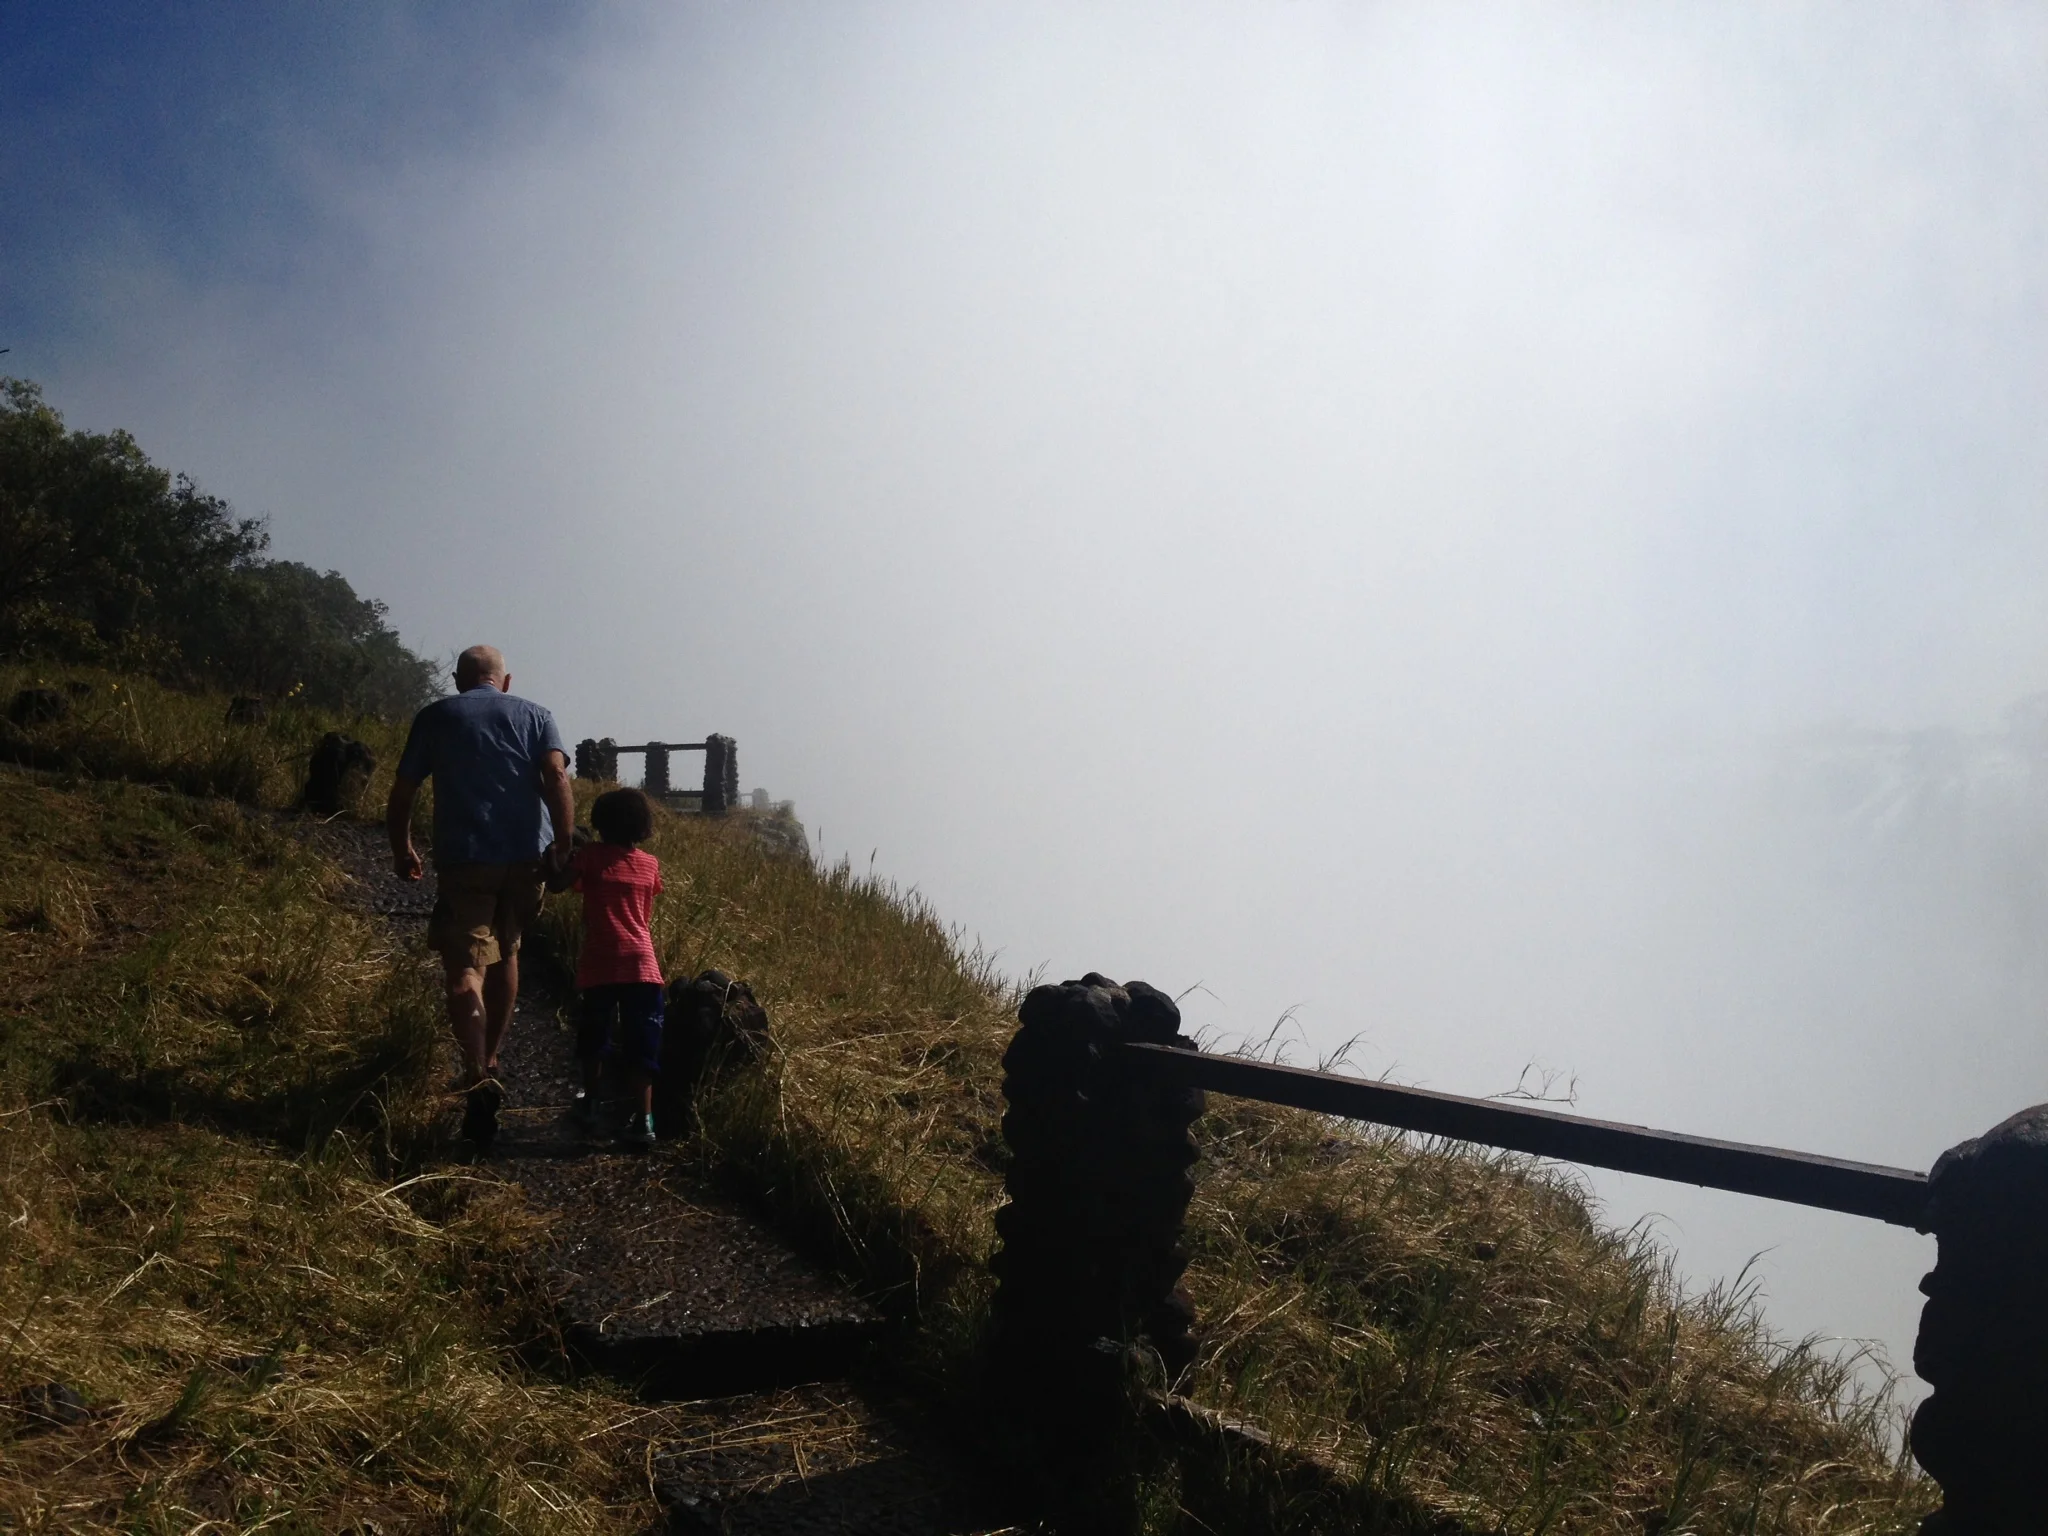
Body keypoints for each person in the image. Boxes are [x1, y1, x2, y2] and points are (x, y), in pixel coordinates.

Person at [386, 644, 574, 1144]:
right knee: (508, 948)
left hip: (466, 857)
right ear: (505, 681)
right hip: (525, 859)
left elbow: (403, 790)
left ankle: (475, 1073)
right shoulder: (537, 716)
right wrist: (564, 845)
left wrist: (402, 848)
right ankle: (492, 1059)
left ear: (457, 680)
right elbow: (556, 776)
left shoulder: (437, 715)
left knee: (465, 968)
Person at [561, 786, 665, 1148]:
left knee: (595, 1038)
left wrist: (556, 855)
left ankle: (591, 1105)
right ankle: (645, 1121)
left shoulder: (589, 856)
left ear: (600, 824)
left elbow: (561, 884)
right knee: (642, 1045)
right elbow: (648, 900)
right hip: (643, 966)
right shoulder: (650, 864)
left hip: (602, 961)